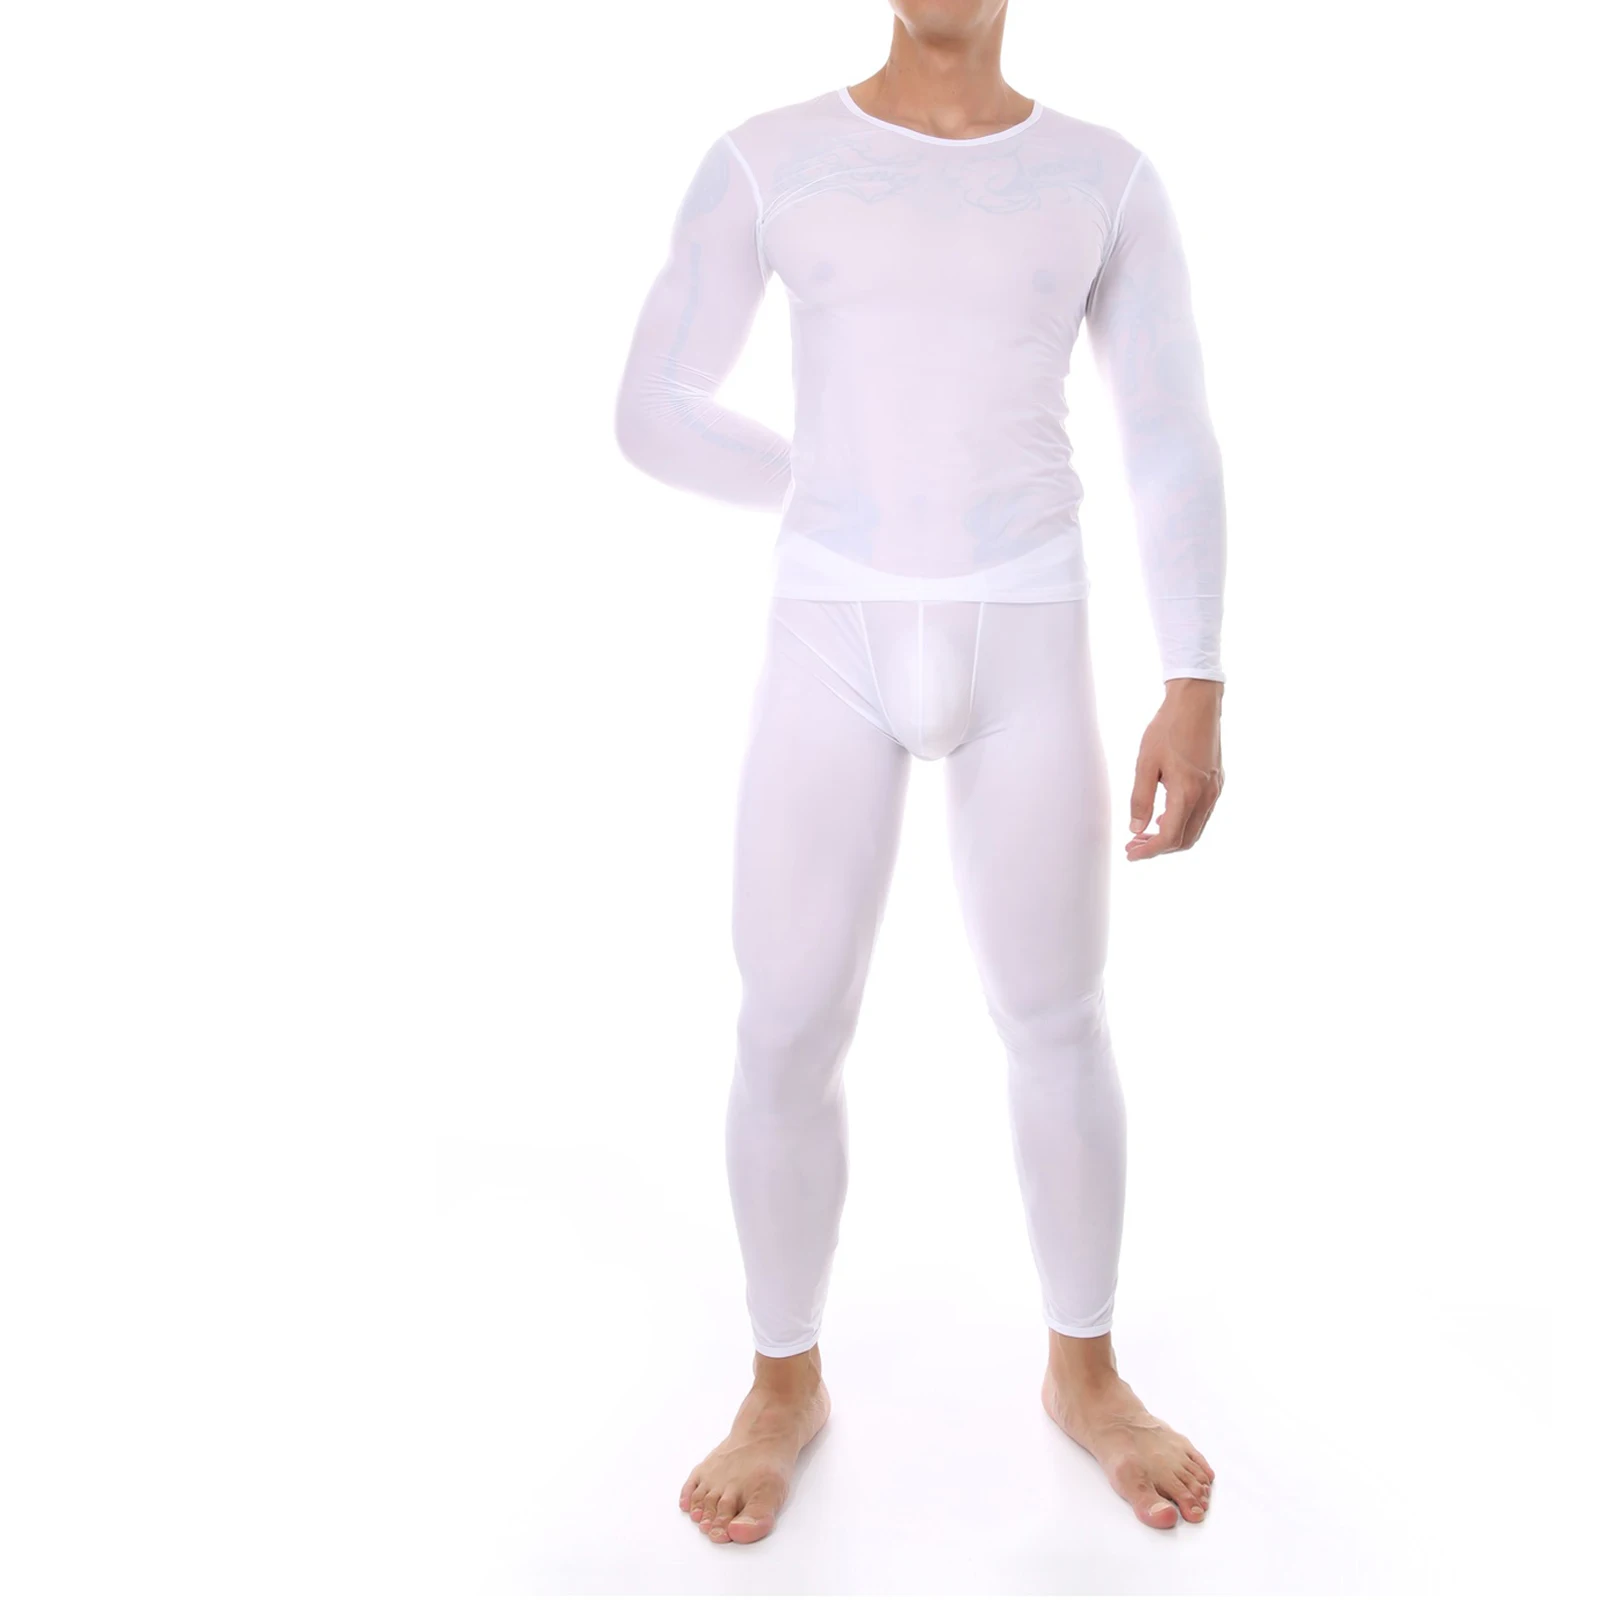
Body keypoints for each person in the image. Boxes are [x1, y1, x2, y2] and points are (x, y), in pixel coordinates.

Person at [613, 0, 1224, 1546]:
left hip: (1030, 629)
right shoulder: (771, 158)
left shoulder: (1102, 176)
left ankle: (1086, 1374)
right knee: (786, 1021)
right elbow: (652, 408)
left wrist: (1196, 677)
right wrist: (822, 484)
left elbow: (1167, 433)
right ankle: (781, 1385)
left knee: (1058, 1017)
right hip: (832, 632)